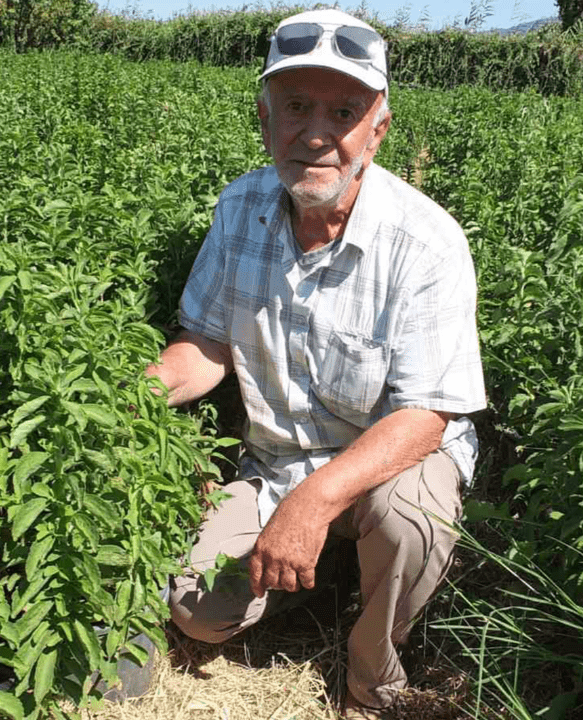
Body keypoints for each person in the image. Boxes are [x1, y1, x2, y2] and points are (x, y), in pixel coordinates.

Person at [146, 9, 486, 719]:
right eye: (296, 107)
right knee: (197, 613)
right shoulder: (240, 208)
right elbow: (206, 343)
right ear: (265, 121)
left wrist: (318, 499)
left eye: (344, 111)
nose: (318, 133)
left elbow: (428, 414)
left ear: (377, 130)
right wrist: (130, 396)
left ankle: (371, 679)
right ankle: (293, 578)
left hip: (392, 463)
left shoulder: (425, 241)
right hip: (276, 462)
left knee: (412, 516)